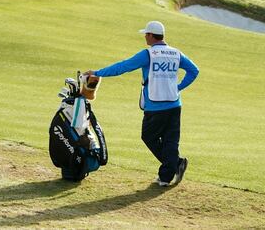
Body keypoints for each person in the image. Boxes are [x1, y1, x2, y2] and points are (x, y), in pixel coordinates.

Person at [84, 21, 198, 187]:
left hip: (155, 105)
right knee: (170, 141)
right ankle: (167, 176)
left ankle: (174, 165)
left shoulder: (148, 54)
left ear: (151, 35)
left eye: (146, 34)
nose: (145, 36)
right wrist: (178, 88)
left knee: (149, 136)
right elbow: (194, 71)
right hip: (174, 104)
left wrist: (97, 73)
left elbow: (123, 67)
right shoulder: (176, 53)